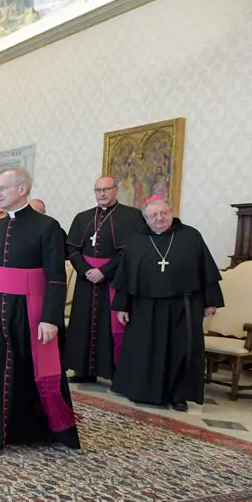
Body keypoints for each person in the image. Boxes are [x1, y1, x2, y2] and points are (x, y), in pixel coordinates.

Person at [0, 167, 80, 458]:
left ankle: (40, 430)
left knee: (34, 369)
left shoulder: (47, 226)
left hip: (31, 309)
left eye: (3, 188)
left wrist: (51, 318)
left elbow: (56, 276)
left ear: (22, 189)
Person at [111, 197, 223, 410]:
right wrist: (122, 306)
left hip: (183, 305)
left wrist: (211, 301)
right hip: (144, 306)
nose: (159, 218)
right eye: (153, 215)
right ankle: (145, 392)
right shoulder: (136, 241)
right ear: (145, 218)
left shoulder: (191, 236)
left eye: (164, 213)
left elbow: (206, 269)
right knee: (146, 349)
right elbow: (125, 276)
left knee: (180, 351)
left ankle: (177, 395)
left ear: (172, 212)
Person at [64, 175, 145, 383]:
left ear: (116, 190)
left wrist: (104, 271)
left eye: (106, 189)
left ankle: (114, 372)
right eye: (98, 190)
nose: (102, 194)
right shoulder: (83, 217)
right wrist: (85, 270)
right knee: (83, 324)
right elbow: (72, 247)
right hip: (86, 280)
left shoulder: (132, 217)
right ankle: (83, 370)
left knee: (110, 326)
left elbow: (131, 251)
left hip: (114, 279)